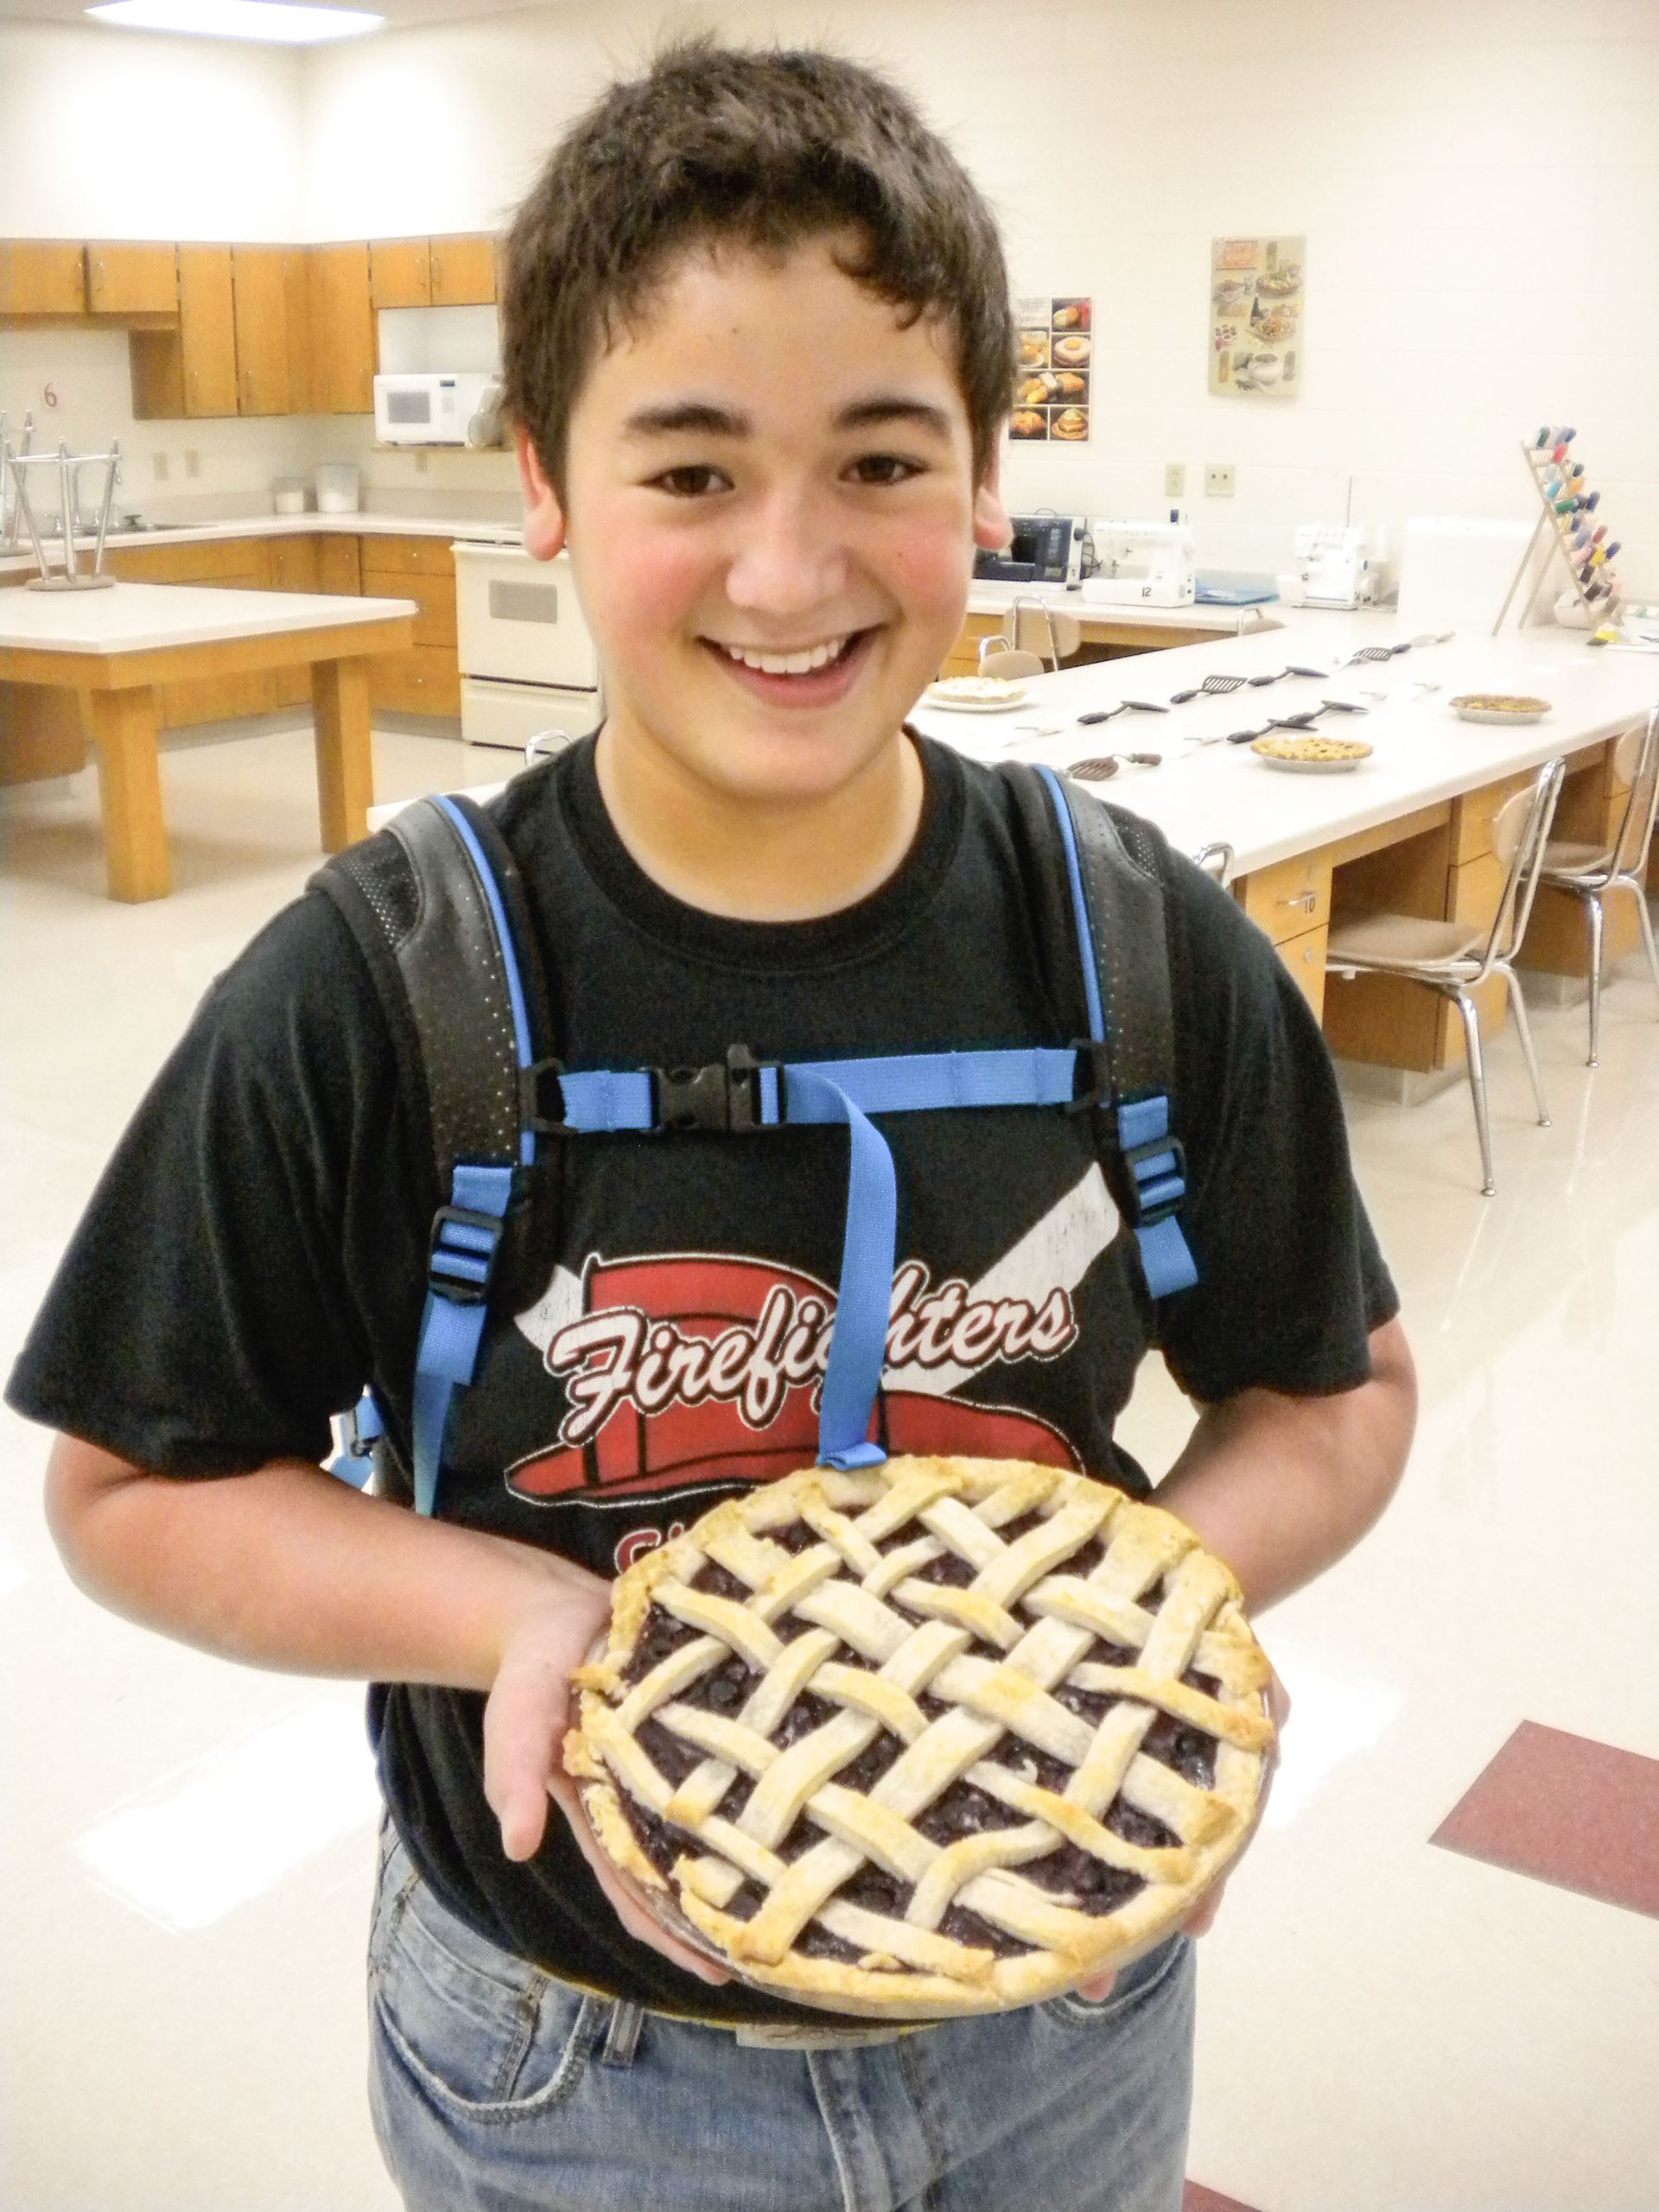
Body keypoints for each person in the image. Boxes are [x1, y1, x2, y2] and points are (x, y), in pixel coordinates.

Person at [10, 41, 1414, 2212]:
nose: (787, 572)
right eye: (688, 472)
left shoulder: (1142, 951)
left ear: (983, 475)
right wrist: (510, 1617)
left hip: (1069, 2020)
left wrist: (1127, 1617)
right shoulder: (377, 998)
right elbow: (129, 1481)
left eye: (877, 460)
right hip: (576, 2057)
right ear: (543, 480)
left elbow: (1336, 1394)